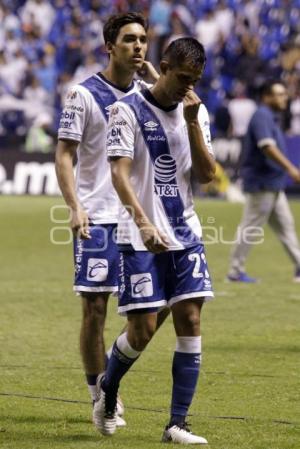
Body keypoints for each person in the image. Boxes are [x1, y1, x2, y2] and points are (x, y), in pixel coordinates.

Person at [93, 37, 216, 444]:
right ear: (164, 67)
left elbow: (207, 174)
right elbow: (119, 174)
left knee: (191, 320)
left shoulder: (195, 113)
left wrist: (194, 122)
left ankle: (177, 423)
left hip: (186, 234)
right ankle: (108, 388)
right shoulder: (125, 111)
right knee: (142, 331)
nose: (187, 87)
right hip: (139, 236)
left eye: (194, 80)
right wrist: (144, 223)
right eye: (182, 78)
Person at [55, 12, 169, 427]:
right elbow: (64, 155)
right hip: (98, 215)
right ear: (109, 46)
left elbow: (182, 107)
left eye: (143, 40)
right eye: (129, 40)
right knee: (95, 310)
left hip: (138, 218)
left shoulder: (146, 95)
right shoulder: (82, 95)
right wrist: (74, 205)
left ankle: (110, 384)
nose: (138, 47)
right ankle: (98, 395)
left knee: (156, 309)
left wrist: (155, 75)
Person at [227, 80, 300, 283]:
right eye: (279, 94)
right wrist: (291, 168)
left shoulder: (271, 117)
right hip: (262, 184)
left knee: (286, 227)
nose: (284, 97)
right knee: (250, 228)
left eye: (285, 94)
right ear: (266, 97)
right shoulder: (262, 115)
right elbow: (266, 146)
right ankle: (235, 271)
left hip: (273, 184)